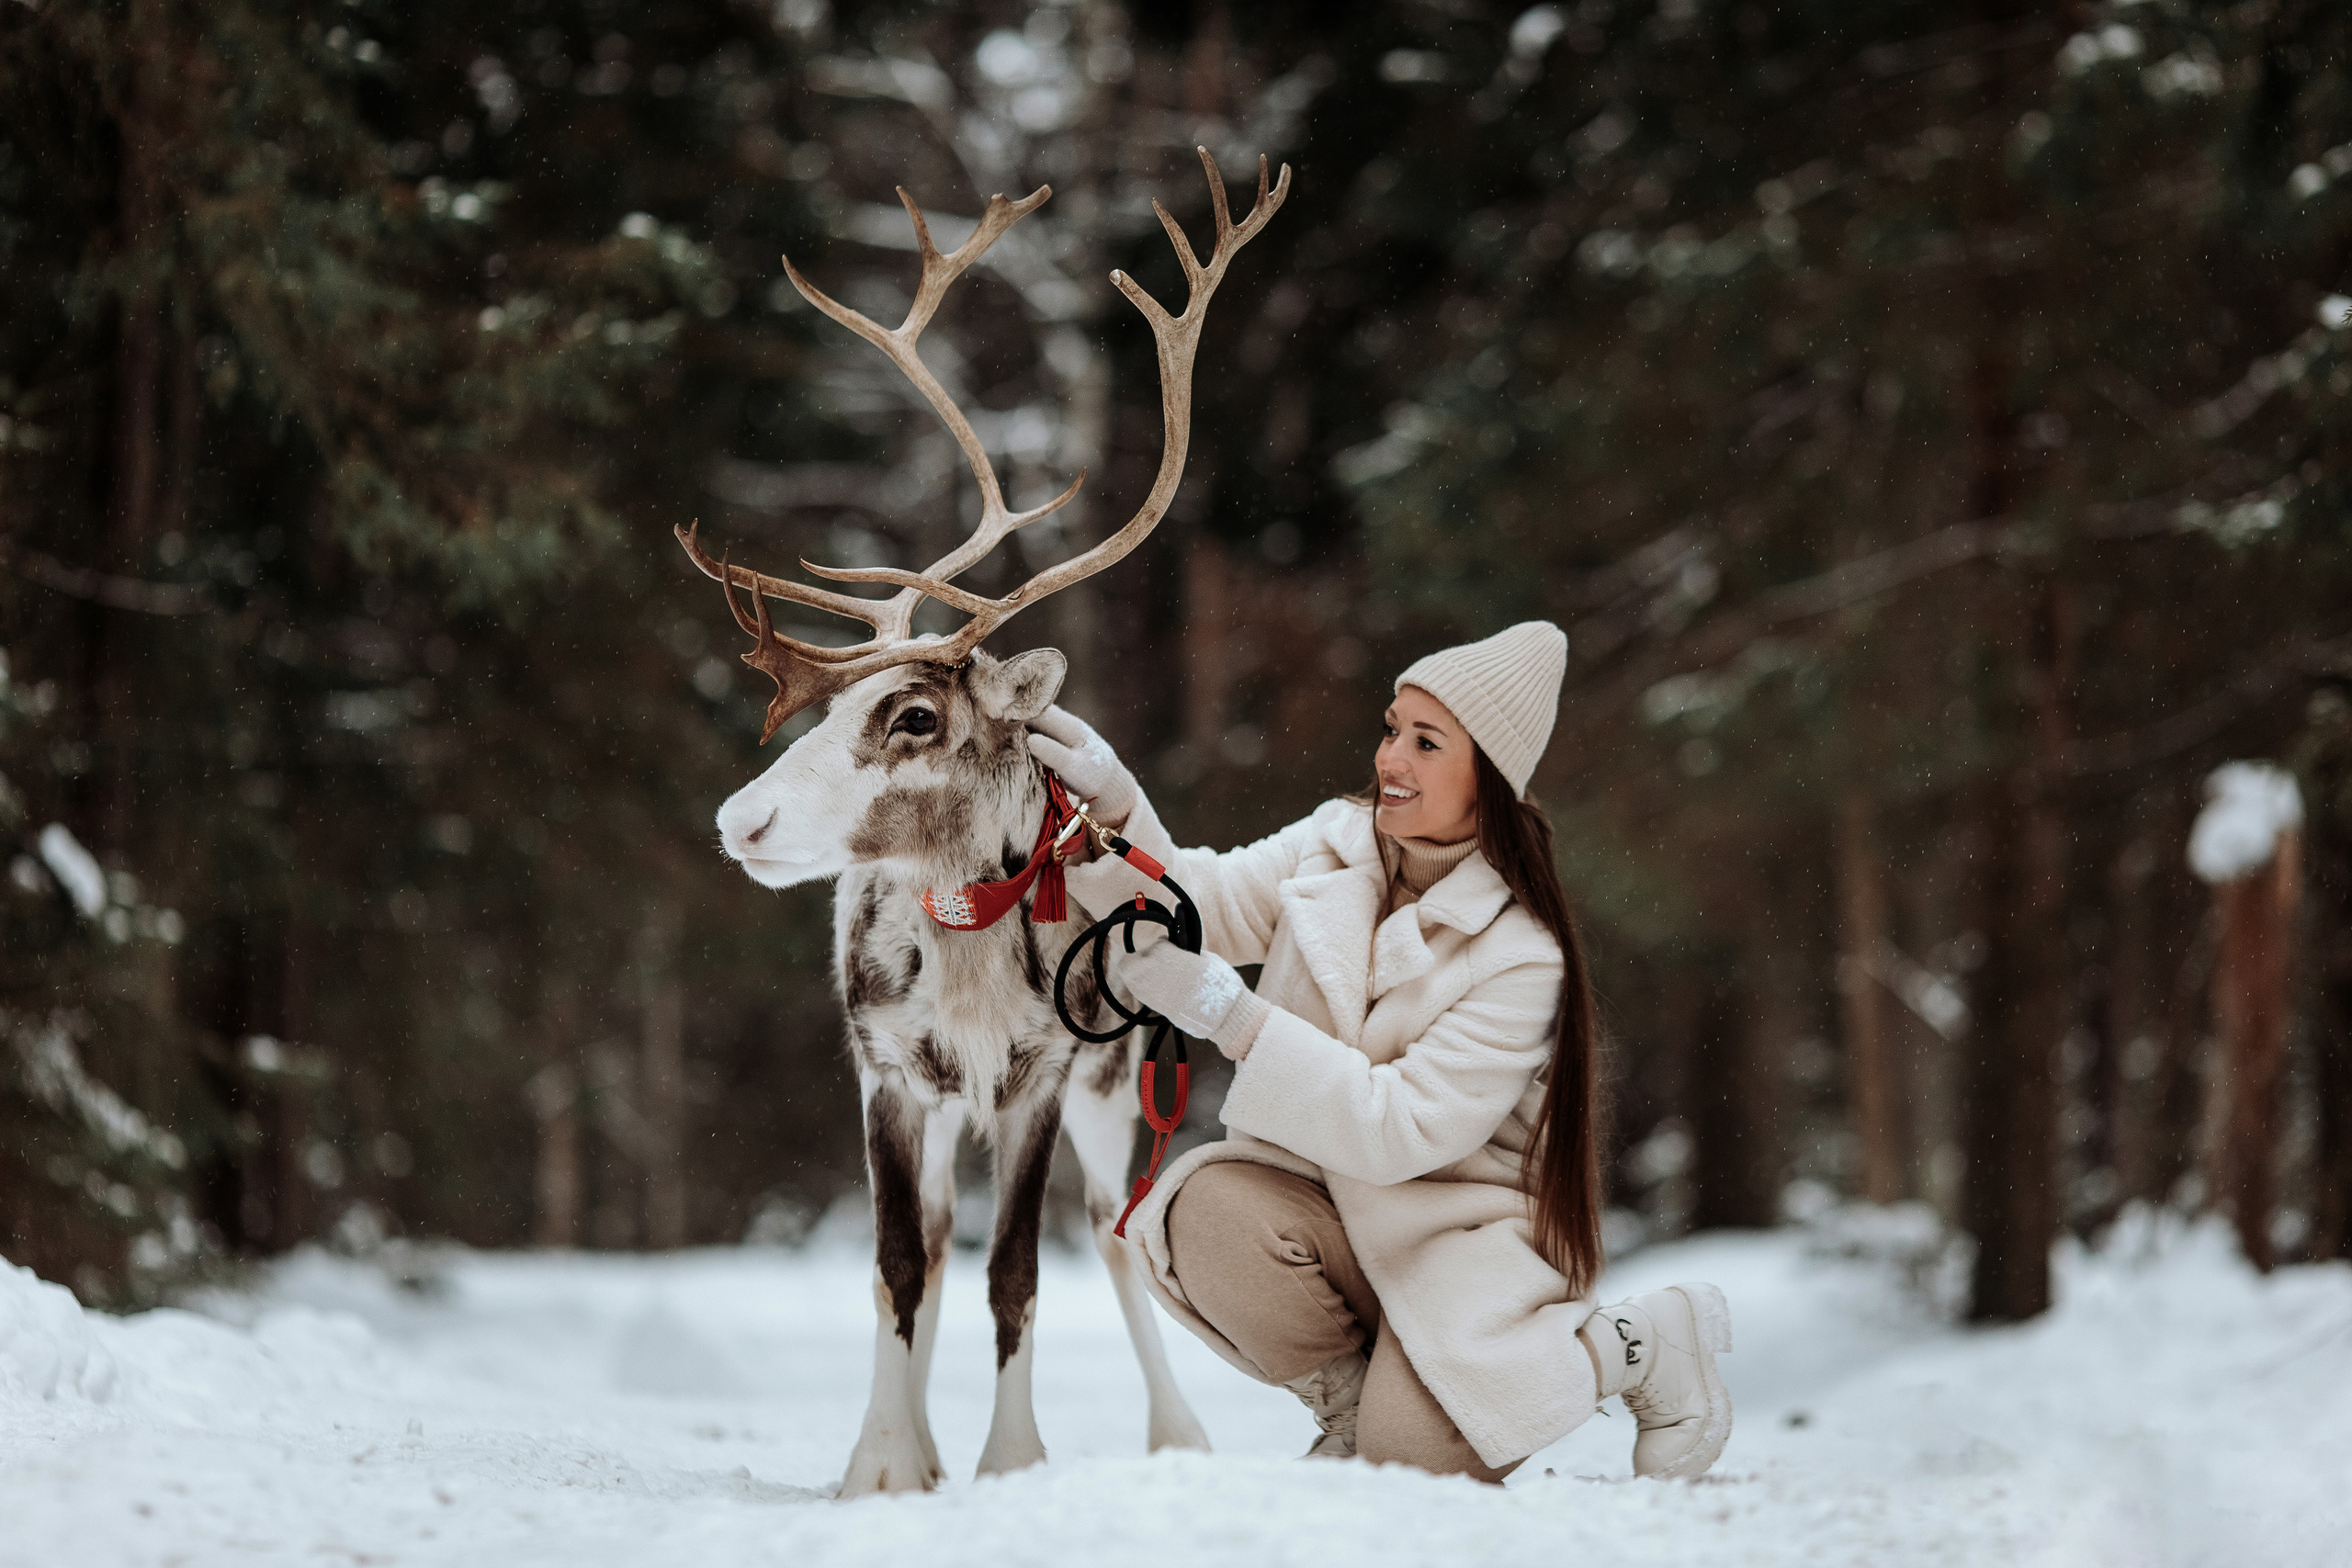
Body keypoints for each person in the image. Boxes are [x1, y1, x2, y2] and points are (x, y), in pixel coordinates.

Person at [1027, 621, 1733, 1483]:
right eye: (1392, 727)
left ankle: (1636, 1342)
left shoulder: (1522, 953)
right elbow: (1198, 898)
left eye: (1426, 742)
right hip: (1331, 1219)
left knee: (1413, 1468)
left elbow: (1400, 1124)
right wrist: (1111, 807)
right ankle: (1359, 1407)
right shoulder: (1335, 840)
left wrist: (1232, 1016)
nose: (1391, 756)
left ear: (1491, 782)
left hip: (1456, 1241)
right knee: (1202, 1207)